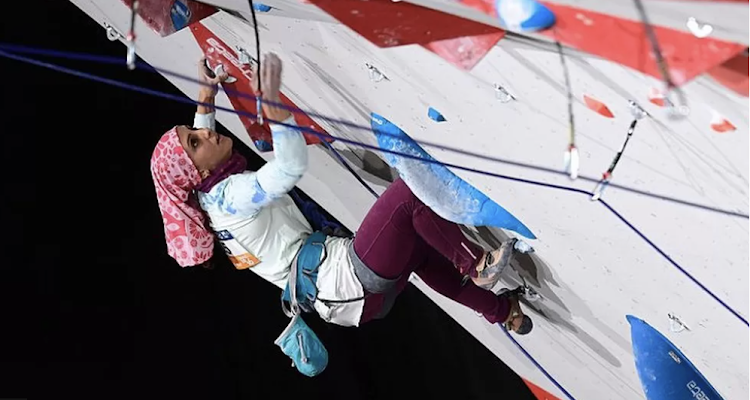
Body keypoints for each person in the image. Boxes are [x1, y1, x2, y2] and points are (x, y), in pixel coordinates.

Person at [150, 53, 527, 332]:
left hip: (350, 299)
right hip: (347, 279)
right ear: (197, 171)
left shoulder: (205, 196)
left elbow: (197, 150)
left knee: (423, 253)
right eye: (197, 142)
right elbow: (289, 169)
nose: (206, 134)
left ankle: (503, 313)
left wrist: (205, 99)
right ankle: (474, 264)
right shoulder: (230, 196)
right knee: (407, 196)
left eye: (194, 131)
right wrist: (275, 107)